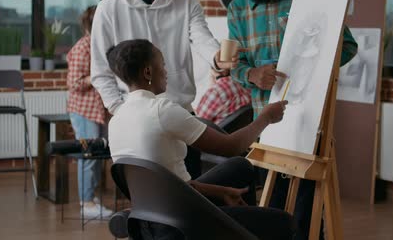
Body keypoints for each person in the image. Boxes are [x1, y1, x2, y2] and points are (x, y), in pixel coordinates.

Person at [227, 0, 358, 239]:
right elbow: (235, 66)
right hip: (267, 126)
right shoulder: (237, 9)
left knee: (307, 209)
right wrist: (252, 74)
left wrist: (316, 63)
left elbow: (348, 47)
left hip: (309, 122)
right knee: (271, 208)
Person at [107, 39, 294, 240]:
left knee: (240, 167)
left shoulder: (116, 121)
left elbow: (168, 184)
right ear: (147, 72)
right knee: (285, 222)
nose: (166, 71)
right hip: (183, 221)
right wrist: (267, 117)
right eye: (162, 64)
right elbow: (232, 146)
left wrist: (221, 192)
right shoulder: (162, 111)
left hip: (148, 220)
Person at [90, 0, 238, 180]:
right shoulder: (108, 9)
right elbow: (101, 73)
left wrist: (217, 57)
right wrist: (121, 110)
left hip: (180, 113)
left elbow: (201, 37)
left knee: (191, 196)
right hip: (136, 121)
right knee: (150, 200)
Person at [66, 6, 112, 218]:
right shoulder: (82, 47)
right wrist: (98, 75)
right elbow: (74, 83)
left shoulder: (98, 46)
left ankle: (91, 199)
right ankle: (86, 204)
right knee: (88, 156)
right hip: (84, 111)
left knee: (96, 155)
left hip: (97, 110)